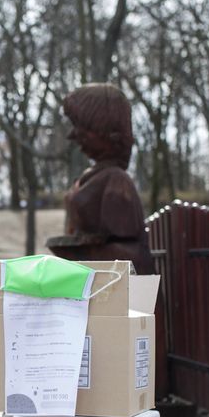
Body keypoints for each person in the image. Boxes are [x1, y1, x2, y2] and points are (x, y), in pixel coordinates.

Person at [46, 83, 152, 276]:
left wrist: (81, 252)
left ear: (104, 127)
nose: (72, 135)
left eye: (80, 125)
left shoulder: (117, 181)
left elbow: (131, 256)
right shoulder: (92, 176)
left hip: (123, 295)